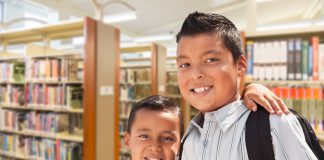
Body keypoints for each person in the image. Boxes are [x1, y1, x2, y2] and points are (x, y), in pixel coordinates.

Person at [176, 11, 317, 160]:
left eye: (210, 60)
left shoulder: (273, 126)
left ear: (241, 66)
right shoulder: (190, 138)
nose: (195, 74)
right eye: (185, 64)